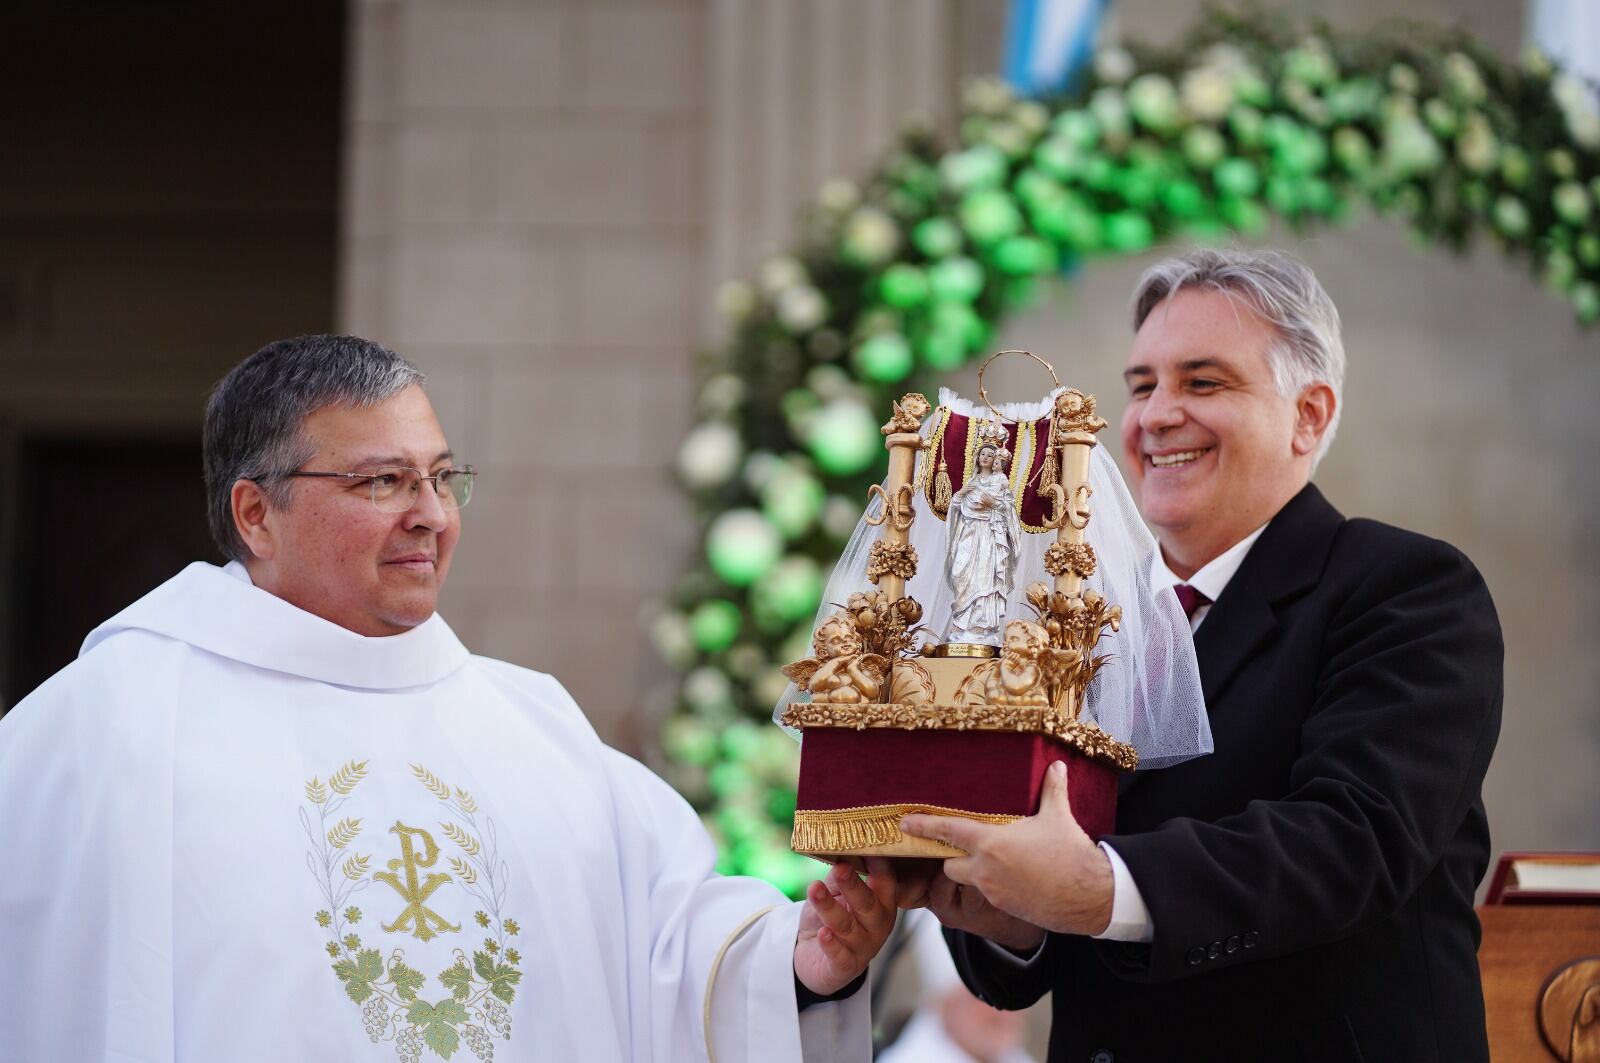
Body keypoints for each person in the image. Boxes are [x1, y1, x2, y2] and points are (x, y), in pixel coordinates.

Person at [0, 335, 894, 1063]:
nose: (430, 512)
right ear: (255, 515)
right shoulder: (109, 722)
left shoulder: (531, 724)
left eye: (441, 477)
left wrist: (801, 967)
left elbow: (673, 948)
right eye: (382, 481)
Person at [897, 248, 1504, 1061]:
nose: (1153, 416)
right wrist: (1006, 912)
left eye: (1203, 381)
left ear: (1310, 414)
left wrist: (1097, 887)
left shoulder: (1406, 590)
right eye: (1142, 384)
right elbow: (1054, 915)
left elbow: (1351, 837)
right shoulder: (1090, 624)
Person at [944, 439, 1022, 645]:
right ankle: (962, 623)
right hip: (969, 532)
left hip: (988, 533)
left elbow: (1008, 509)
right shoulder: (972, 482)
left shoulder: (1000, 482)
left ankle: (980, 626)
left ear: (996, 460)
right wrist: (961, 495)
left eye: (990, 455)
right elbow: (957, 506)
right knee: (960, 573)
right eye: (983, 454)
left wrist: (993, 503)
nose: (985, 457)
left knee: (985, 576)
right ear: (977, 458)